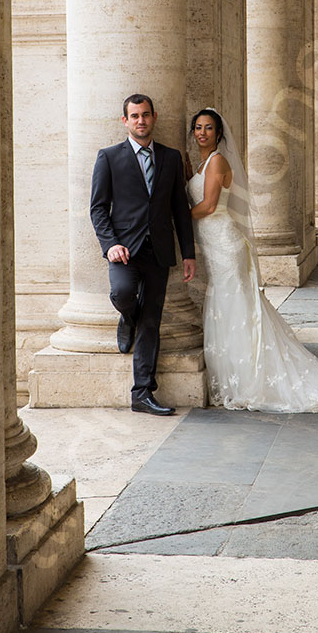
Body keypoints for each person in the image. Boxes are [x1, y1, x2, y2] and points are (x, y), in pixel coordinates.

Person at [187, 108, 318, 413]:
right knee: (229, 303)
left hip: (225, 243)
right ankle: (234, 374)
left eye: (208, 128)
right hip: (214, 245)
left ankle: (247, 378)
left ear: (218, 133)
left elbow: (209, 206)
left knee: (234, 302)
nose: (202, 133)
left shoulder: (218, 162)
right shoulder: (202, 164)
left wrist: (173, 217)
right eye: (197, 127)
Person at [90, 94, 196, 416]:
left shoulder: (171, 158)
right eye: (134, 116)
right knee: (122, 293)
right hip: (124, 250)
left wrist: (188, 253)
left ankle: (142, 393)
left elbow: (180, 208)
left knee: (152, 321)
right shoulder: (108, 157)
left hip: (159, 251)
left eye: (145, 115)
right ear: (125, 121)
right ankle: (127, 315)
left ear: (154, 117)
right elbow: (97, 208)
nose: (141, 121)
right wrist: (110, 245)